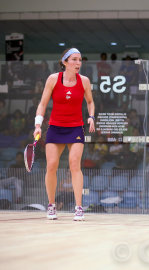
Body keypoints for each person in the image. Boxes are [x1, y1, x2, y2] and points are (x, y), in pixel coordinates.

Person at [33, 48, 95, 221]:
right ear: (65, 62)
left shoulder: (84, 81)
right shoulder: (53, 79)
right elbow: (42, 104)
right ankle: (51, 205)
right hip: (55, 128)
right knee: (51, 165)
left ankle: (78, 208)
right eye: (74, 60)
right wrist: (38, 125)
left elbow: (90, 102)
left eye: (80, 60)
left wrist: (91, 117)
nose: (78, 63)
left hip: (76, 128)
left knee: (74, 164)